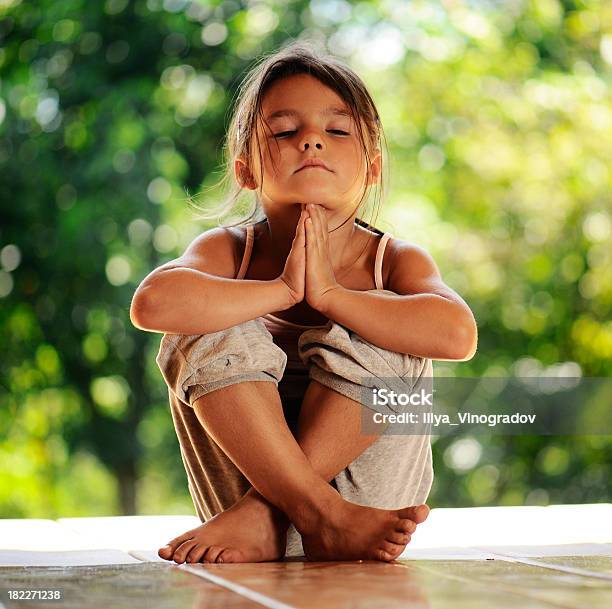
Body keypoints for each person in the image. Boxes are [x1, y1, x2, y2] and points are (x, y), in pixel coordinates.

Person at [130, 41, 477, 565]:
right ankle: (312, 512)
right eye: (285, 131)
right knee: (196, 316)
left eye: (337, 131)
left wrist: (333, 297)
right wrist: (282, 291)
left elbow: (458, 336)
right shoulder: (228, 251)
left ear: (373, 167)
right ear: (246, 170)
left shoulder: (395, 260)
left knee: (399, 323)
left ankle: (278, 512)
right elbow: (152, 305)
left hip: (362, 508)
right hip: (248, 521)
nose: (312, 141)